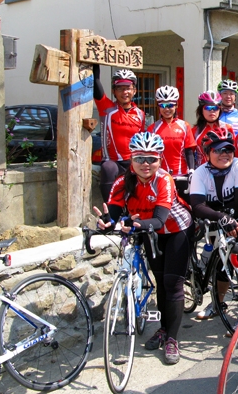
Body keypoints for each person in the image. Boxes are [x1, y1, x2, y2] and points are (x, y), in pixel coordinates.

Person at [93, 132, 194, 365]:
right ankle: (163, 328)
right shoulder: (122, 182)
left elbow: (159, 220)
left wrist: (131, 224)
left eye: (152, 158)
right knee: (160, 281)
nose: (146, 164)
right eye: (139, 158)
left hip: (176, 230)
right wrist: (108, 222)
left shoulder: (163, 179)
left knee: (172, 283)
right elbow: (116, 212)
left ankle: (172, 339)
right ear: (131, 159)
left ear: (160, 159)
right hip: (148, 232)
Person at [189, 128, 238, 322]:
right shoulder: (200, 172)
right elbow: (197, 206)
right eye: (218, 150)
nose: (224, 154)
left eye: (228, 150)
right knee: (220, 263)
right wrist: (220, 216)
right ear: (207, 153)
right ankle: (217, 304)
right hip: (219, 219)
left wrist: (222, 217)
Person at [93, 66, 146, 202]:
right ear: (114, 91)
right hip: (112, 161)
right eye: (120, 88)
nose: (124, 92)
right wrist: (95, 64)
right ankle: (108, 213)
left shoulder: (140, 114)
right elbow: (96, 83)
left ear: (134, 90)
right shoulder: (107, 108)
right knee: (107, 168)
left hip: (132, 161)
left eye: (128, 88)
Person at [148, 86, 196, 201]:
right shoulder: (153, 128)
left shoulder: (184, 126)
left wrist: (191, 171)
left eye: (170, 105)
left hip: (182, 176)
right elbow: (150, 155)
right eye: (163, 105)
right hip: (160, 176)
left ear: (176, 105)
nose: (167, 109)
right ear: (158, 106)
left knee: (186, 208)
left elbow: (188, 151)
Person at [192, 90, 235, 167]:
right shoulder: (195, 130)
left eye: (215, 107)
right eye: (208, 107)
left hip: (223, 170)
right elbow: (190, 154)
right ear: (201, 110)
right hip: (201, 171)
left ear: (220, 109)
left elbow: (234, 151)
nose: (212, 111)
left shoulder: (227, 128)